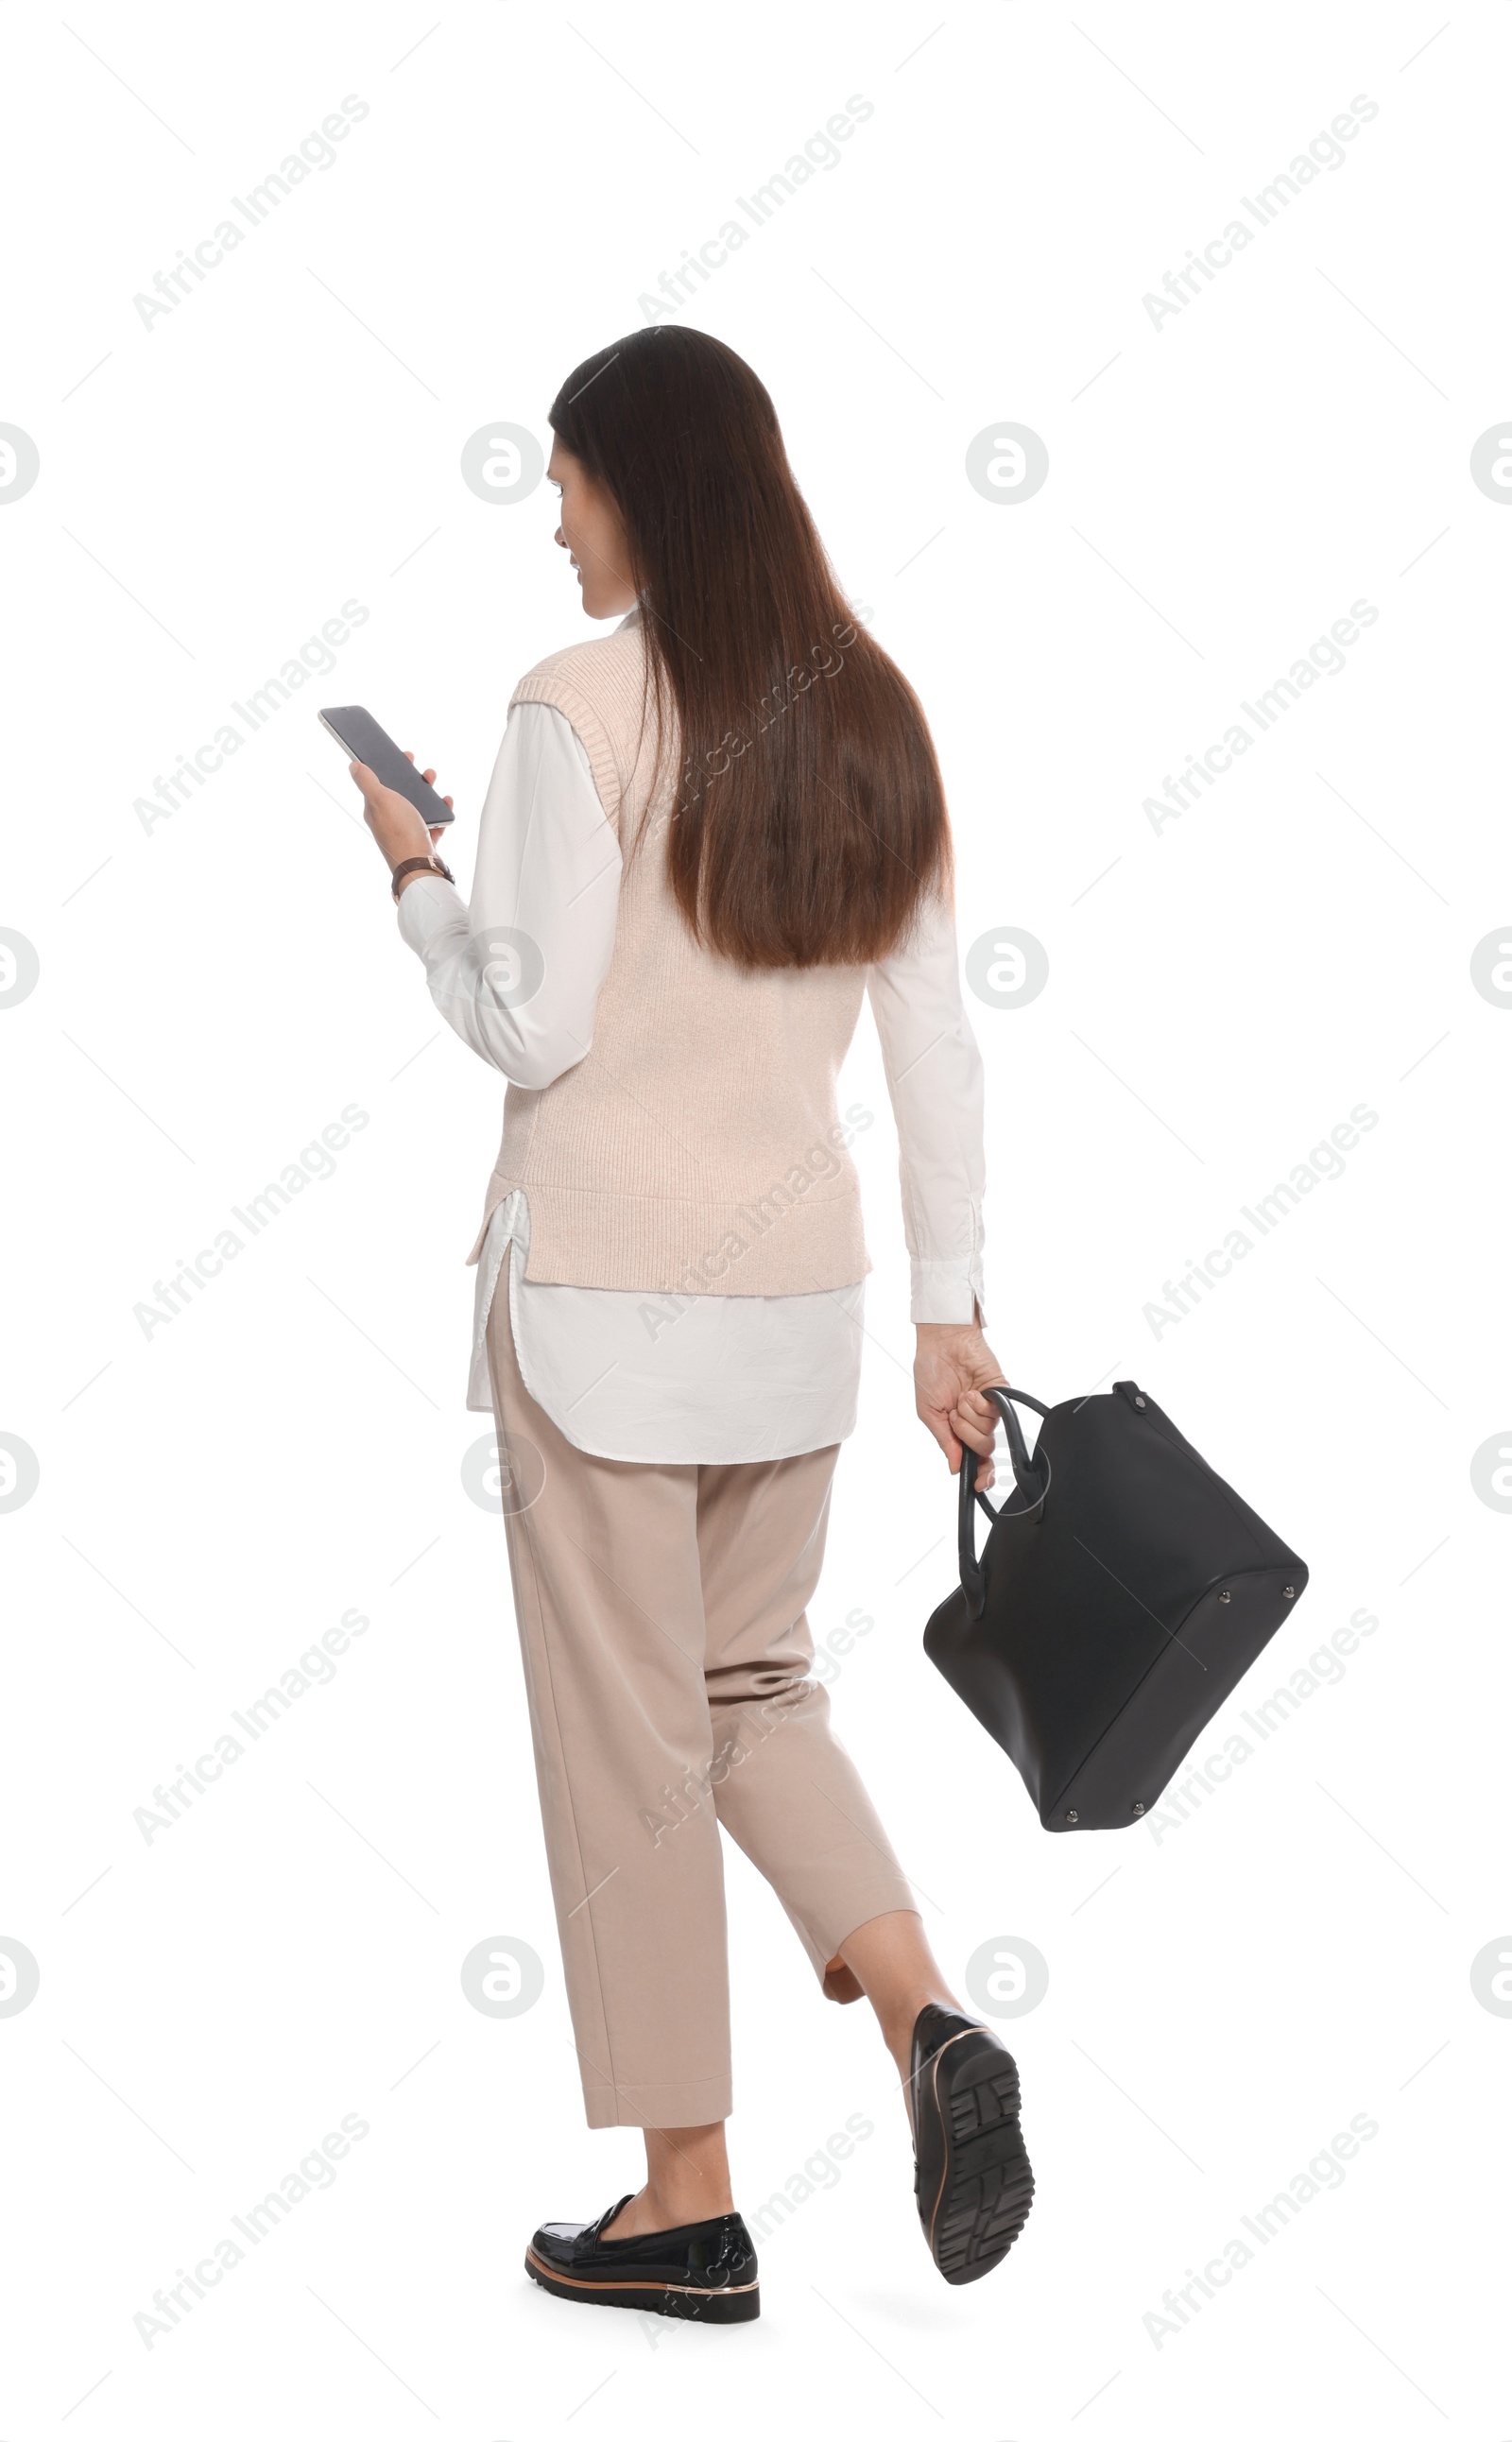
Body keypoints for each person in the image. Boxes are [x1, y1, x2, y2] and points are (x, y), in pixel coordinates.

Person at [350, 327, 1033, 2322]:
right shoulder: (874, 717)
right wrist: (943, 1316)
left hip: (589, 1308)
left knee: (629, 1741)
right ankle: (921, 2016)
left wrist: (413, 883)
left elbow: (527, 1022)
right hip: (794, 1314)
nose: (551, 517)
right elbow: (934, 1038)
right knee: (748, 1693)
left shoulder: (571, 704)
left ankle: (685, 2191)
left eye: (561, 479)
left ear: (636, 479)